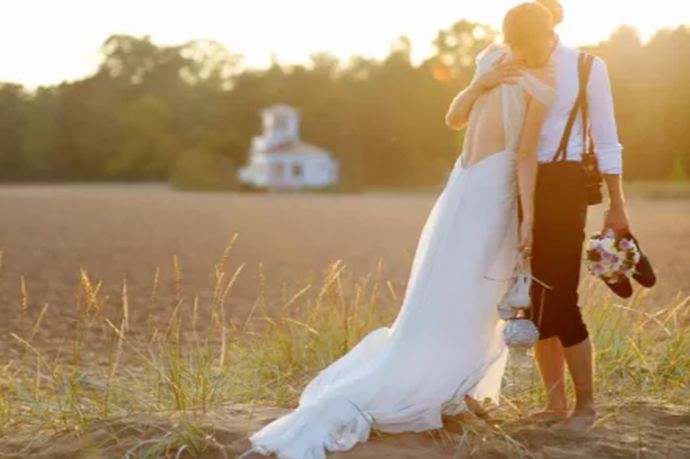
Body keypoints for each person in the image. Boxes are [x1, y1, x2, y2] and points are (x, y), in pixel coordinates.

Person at [240, 4, 557, 458]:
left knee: (445, 282)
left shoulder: (489, 60)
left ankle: (451, 384)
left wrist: (478, 84)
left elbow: (454, 118)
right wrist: (529, 217)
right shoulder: (540, 87)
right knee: (476, 291)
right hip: (492, 193)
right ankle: (450, 388)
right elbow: (526, 157)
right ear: (541, 37)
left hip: (461, 185)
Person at [527, 0, 628, 431]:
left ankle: (585, 407)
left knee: (561, 296)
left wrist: (617, 205)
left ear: (552, 20)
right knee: (533, 302)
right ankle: (555, 405)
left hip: (565, 185)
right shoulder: (511, 60)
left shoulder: (587, 66)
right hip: (517, 187)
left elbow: (607, 138)